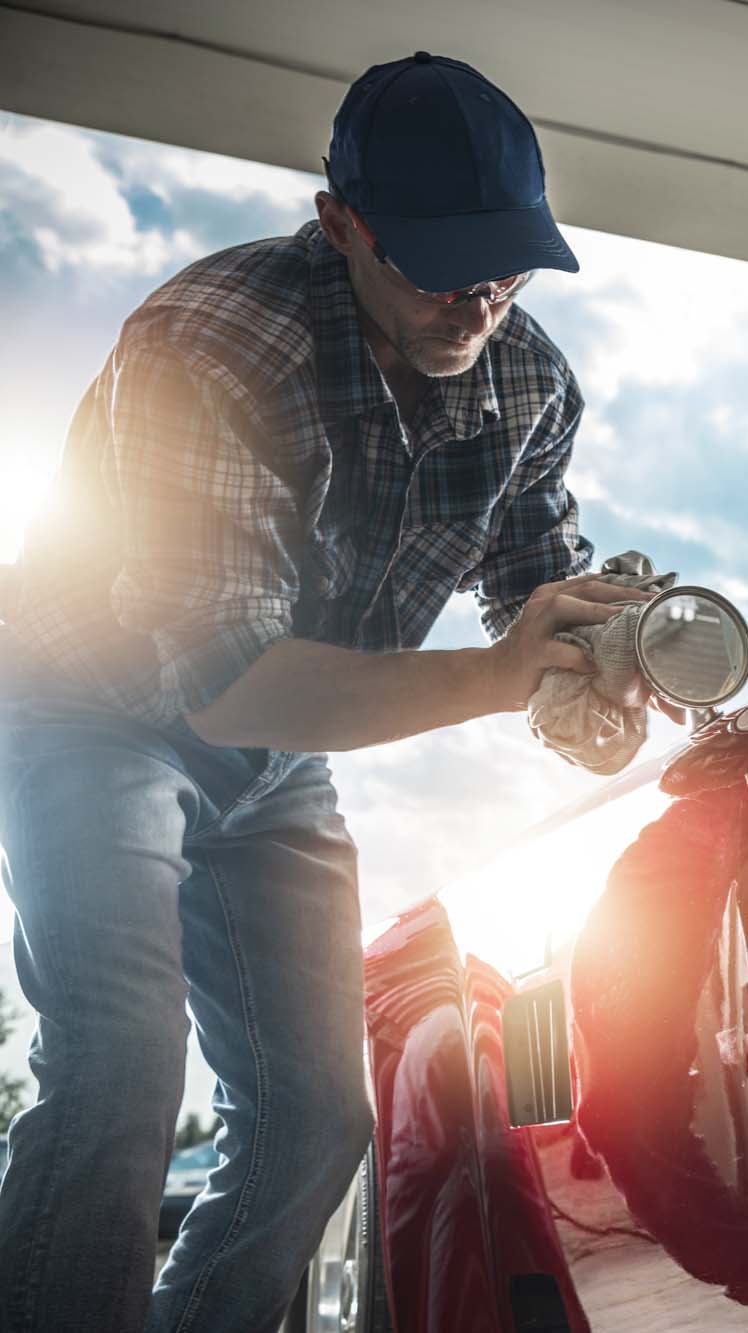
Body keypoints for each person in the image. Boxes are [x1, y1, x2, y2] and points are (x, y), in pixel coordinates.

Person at [0, 52, 647, 1332]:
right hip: (90, 710)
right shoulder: (210, 341)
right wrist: (500, 673)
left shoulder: (529, 384)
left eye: (506, 270)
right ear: (339, 221)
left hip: (278, 758)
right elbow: (233, 682)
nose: (476, 304)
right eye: (436, 266)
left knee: (315, 1120)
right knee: (125, 1069)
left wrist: (591, 678)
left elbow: (534, 583)